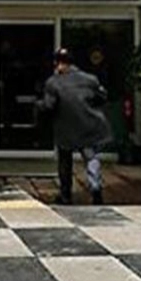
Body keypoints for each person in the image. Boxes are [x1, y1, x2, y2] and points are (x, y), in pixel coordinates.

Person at [39, 47, 112, 204]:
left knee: (65, 161)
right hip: (89, 124)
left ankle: (66, 195)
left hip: (66, 127)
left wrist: (39, 105)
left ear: (58, 64)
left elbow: (49, 106)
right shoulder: (90, 79)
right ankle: (95, 186)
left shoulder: (53, 82)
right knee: (91, 157)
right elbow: (102, 97)